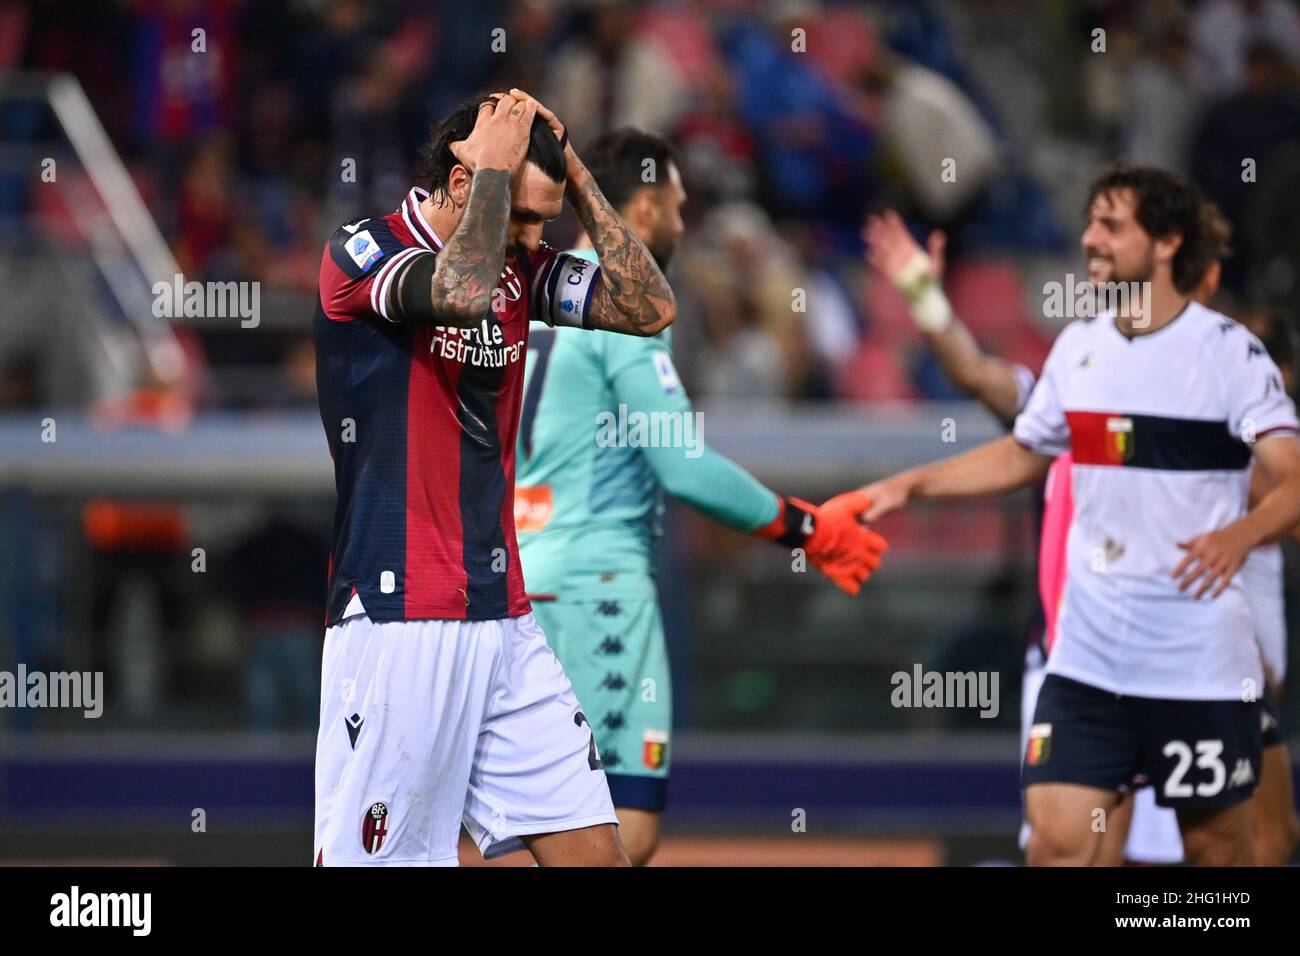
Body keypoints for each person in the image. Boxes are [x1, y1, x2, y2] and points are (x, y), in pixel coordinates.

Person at [839, 166, 1300, 866]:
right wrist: (908, 487)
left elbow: (1293, 482)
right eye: (1089, 222)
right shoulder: (1079, 349)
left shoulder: (1232, 356)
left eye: (1112, 226)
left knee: (1222, 859)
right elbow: (1024, 452)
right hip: (1087, 658)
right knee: (1059, 846)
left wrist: (1239, 535)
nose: (1090, 239)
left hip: (1196, 660)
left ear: (1169, 241)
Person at [311, 89, 677, 867]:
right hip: (397, 617)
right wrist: (490, 178)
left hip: (504, 619)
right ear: (460, 182)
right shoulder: (362, 253)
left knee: (596, 857)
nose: (533, 240)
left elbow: (650, 307)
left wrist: (574, 171)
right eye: (520, 217)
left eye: (543, 222)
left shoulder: (519, 267)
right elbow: (456, 292)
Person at [514, 127, 888, 865]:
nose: (685, 226)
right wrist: (807, 530)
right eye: (679, 208)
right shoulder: (612, 301)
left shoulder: (532, 295)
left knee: (527, 824)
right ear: (646, 208)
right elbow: (682, 466)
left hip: (522, 592)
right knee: (623, 831)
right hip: (599, 593)